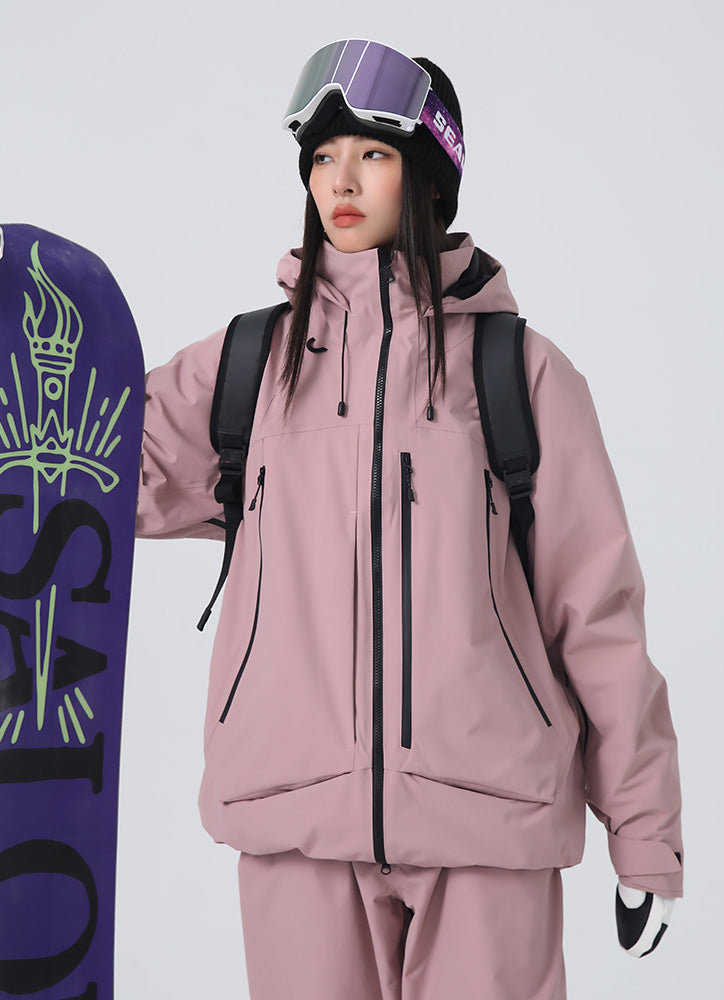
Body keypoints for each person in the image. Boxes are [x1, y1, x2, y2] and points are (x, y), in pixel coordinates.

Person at [135, 39, 684, 1000]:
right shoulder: (247, 365)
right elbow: (82, 466)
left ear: (428, 174)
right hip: (293, 811)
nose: (339, 181)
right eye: (321, 157)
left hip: (489, 816)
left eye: (373, 154)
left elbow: (596, 614)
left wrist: (643, 834)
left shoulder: (519, 373)